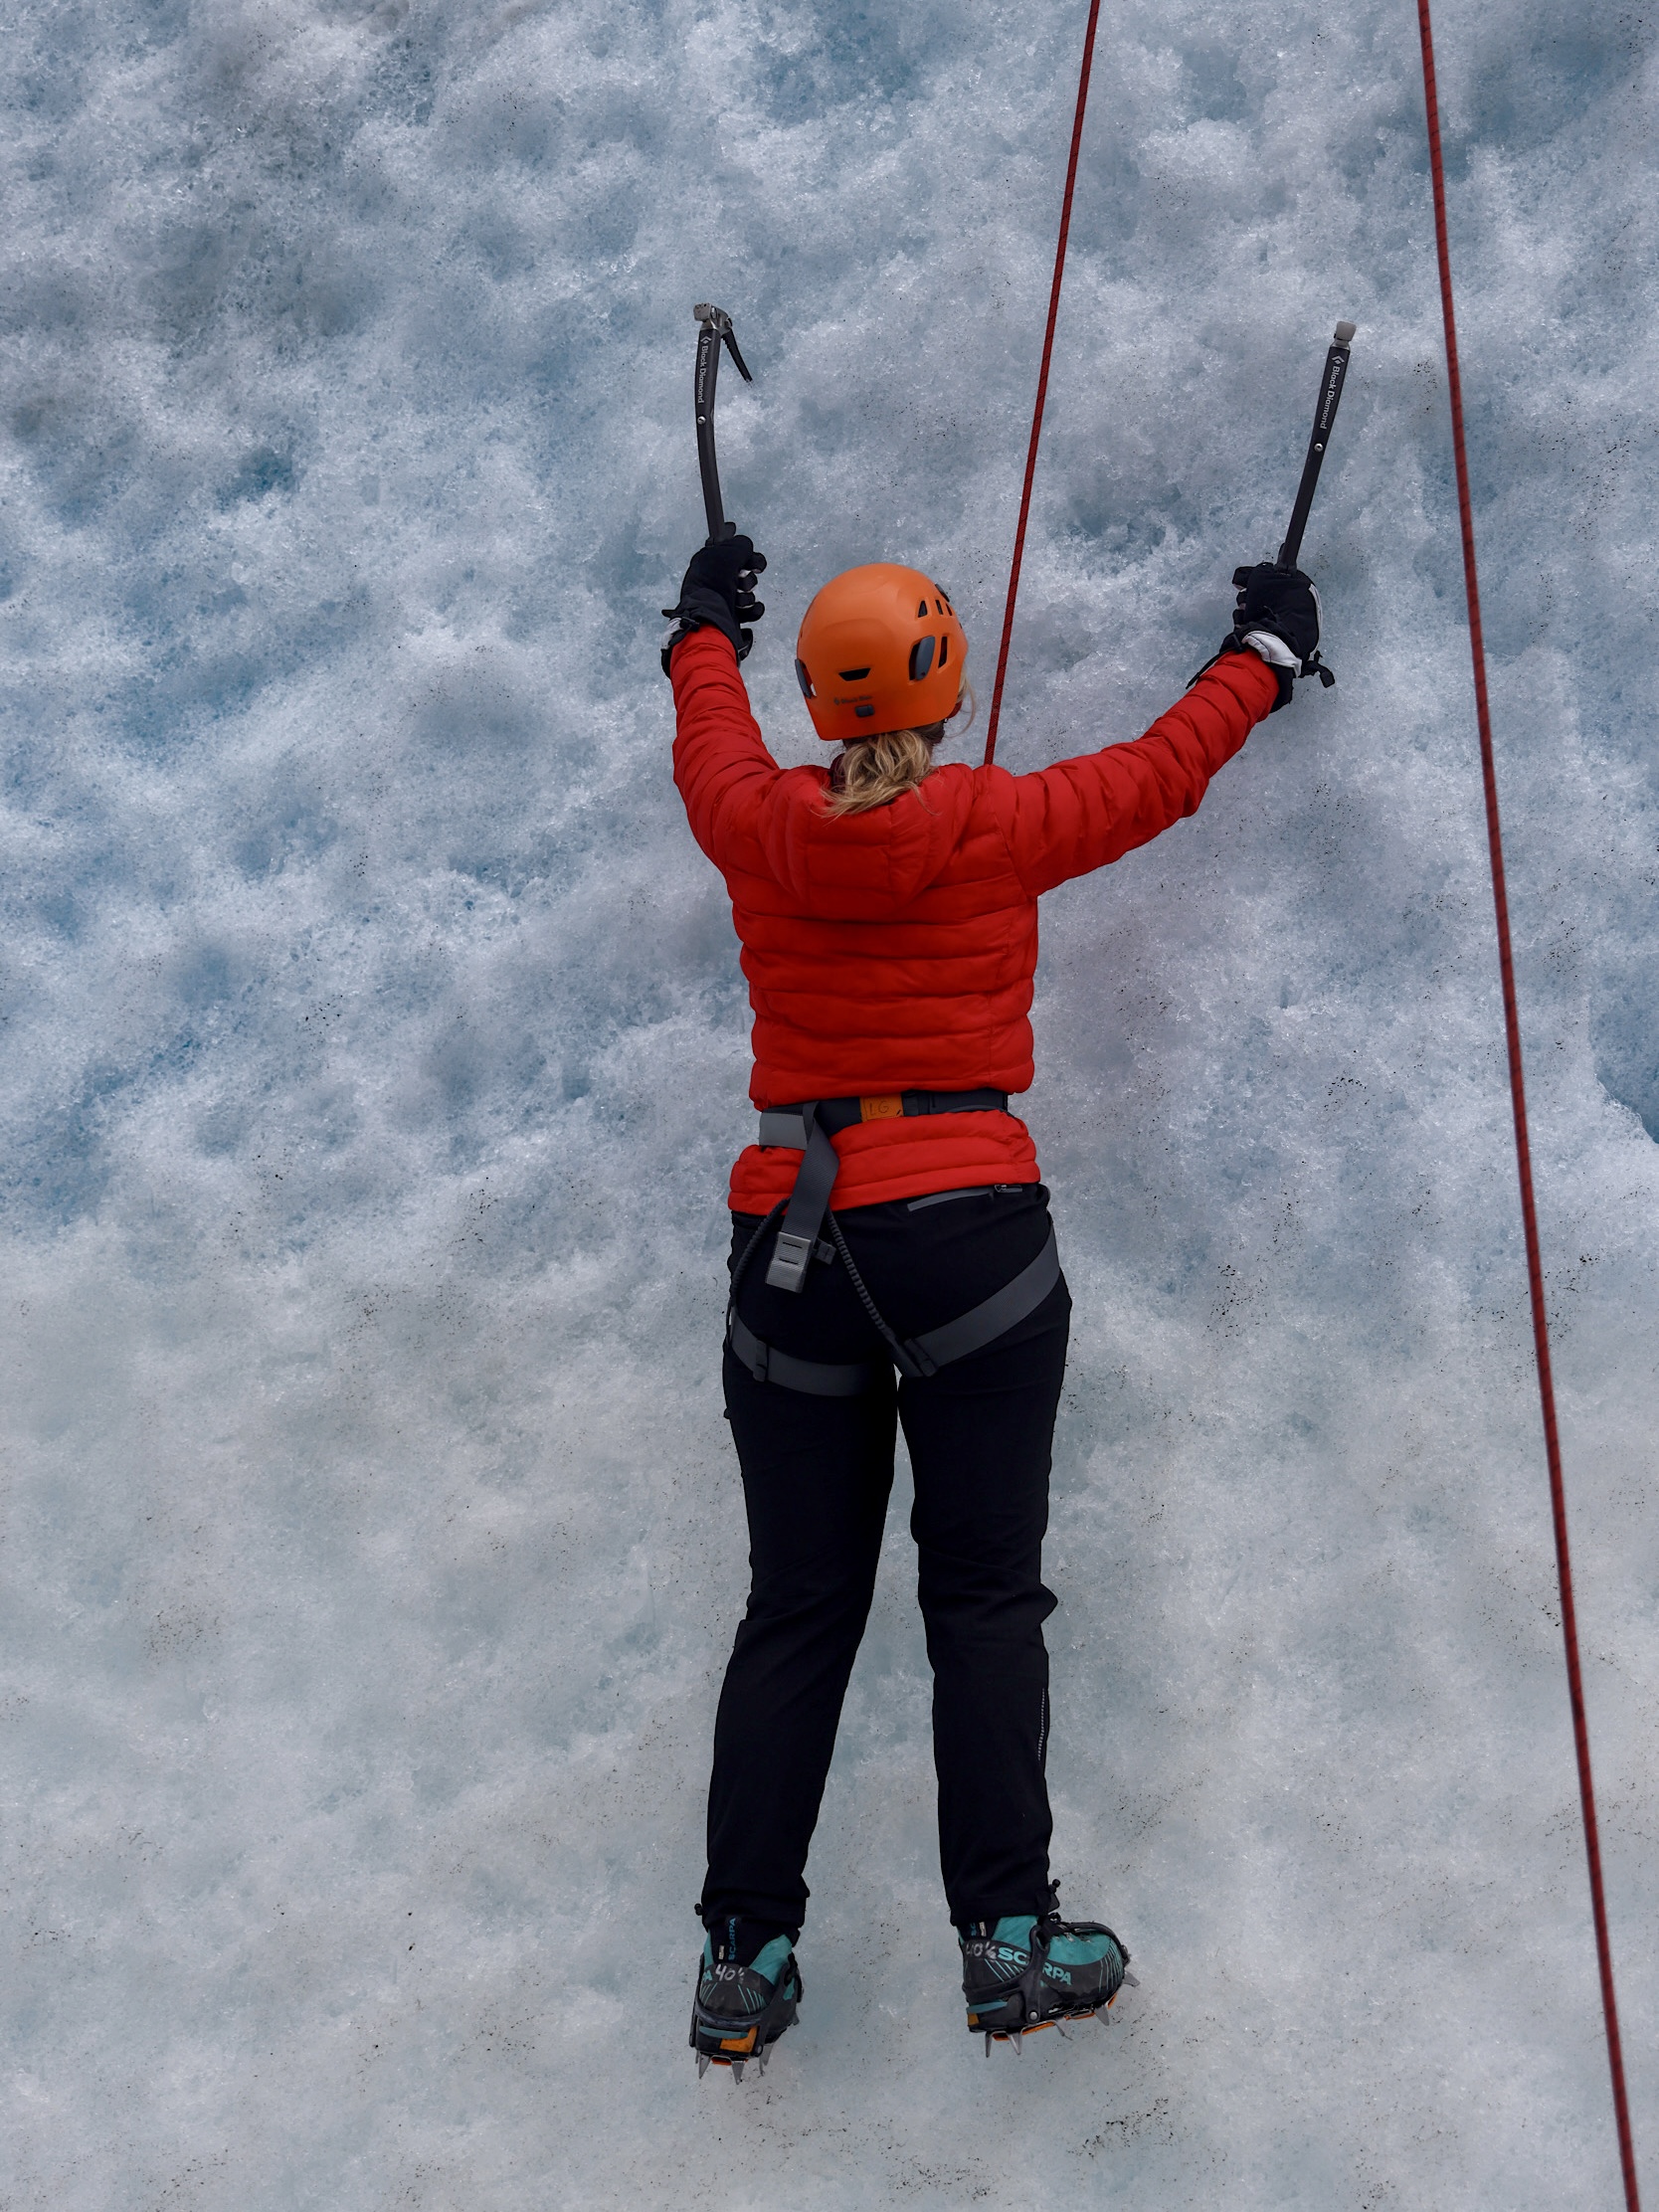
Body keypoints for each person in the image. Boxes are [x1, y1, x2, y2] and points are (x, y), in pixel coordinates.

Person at [660, 538, 1327, 2074]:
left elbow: (708, 736)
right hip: (971, 1245)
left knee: (799, 1610)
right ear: (945, 687)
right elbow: (1159, 775)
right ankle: (1010, 1940)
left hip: (793, 1253)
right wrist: (1266, 659)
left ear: (820, 700)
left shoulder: (757, 822)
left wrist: (703, 627)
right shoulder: (995, 821)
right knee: (982, 1599)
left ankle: (742, 1960)